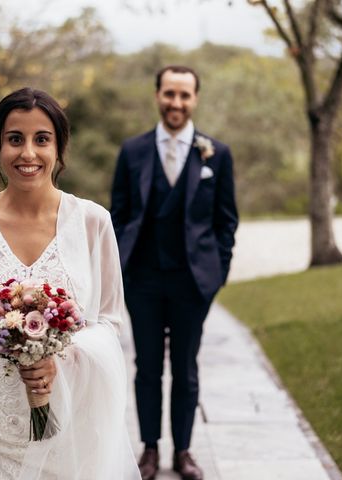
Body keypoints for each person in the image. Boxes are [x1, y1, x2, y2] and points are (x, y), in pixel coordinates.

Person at [0, 87, 140, 480]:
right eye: (14, 139)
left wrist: (59, 358)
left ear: (59, 149)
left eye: (42, 139)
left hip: (66, 407)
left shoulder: (93, 222)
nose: (27, 153)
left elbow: (110, 320)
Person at [110, 66, 238, 480]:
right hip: (143, 280)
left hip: (192, 282)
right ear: (157, 95)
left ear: (195, 99)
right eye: (169, 94)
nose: (176, 103)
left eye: (184, 95)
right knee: (147, 367)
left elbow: (226, 221)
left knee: (185, 367)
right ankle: (149, 451)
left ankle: (183, 452)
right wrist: (121, 269)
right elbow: (119, 214)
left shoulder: (216, 153)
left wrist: (217, 272)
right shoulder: (132, 151)